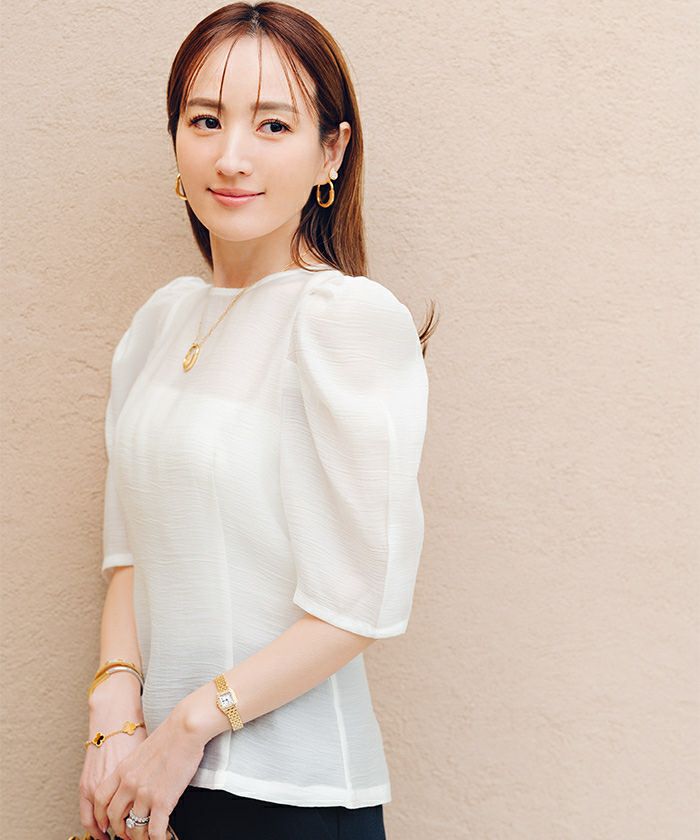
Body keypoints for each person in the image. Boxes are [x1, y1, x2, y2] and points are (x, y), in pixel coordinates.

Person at [78, 3, 438, 838]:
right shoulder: (161, 321)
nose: (231, 156)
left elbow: (360, 600)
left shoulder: (343, 320)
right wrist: (113, 710)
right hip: (146, 780)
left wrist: (192, 723)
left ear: (331, 152)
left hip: (288, 797)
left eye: (273, 124)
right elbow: (132, 551)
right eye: (206, 120)